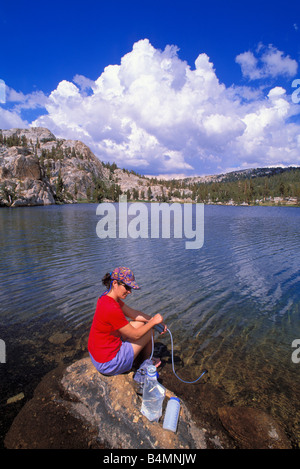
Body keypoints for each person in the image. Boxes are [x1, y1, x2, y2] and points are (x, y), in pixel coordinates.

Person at [88, 266, 166, 376]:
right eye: (127, 287)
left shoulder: (105, 297)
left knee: (140, 323)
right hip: (108, 363)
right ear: (115, 283)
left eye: (131, 288)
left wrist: (153, 319)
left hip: (97, 354)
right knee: (149, 331)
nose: (130, 292)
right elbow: (135, 335)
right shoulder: (111, 308)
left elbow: (134, 314)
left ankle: (139, 355)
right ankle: (146, 362)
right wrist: (153, 323)